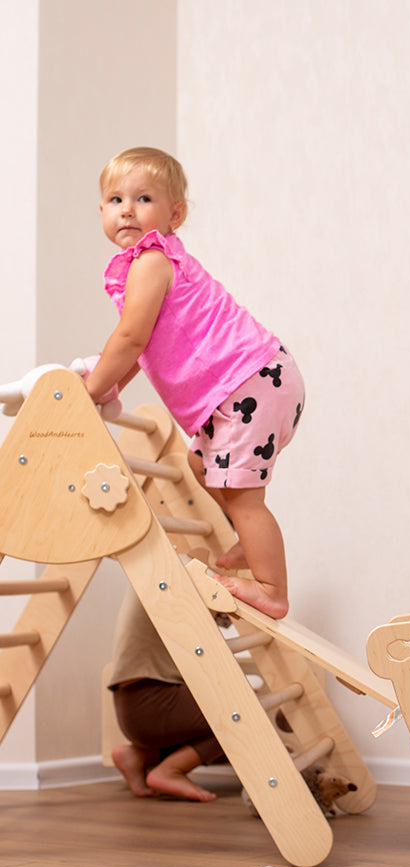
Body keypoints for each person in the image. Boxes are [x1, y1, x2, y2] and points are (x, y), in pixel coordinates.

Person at [85, 146, 304, 619]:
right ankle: (250, 540)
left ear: (174, 214)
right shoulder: (150, 266)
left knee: (244, 497)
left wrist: (87, 391)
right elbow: (141, 350)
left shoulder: (152, 262)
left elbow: (128, 338)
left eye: (143, 198)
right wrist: (111, 385)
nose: (127, 209)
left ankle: (271, 587)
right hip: (253, 382)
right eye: (115, 199)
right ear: (101, 210)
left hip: (250, 382)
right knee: (201, 464)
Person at [107, 589, 224, 802]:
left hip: (131, 704)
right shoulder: (170, 579)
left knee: (227, 707)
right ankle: (170, 770)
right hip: (154, 702)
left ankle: (138, 756)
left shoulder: (146, 581)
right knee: (241, 712)